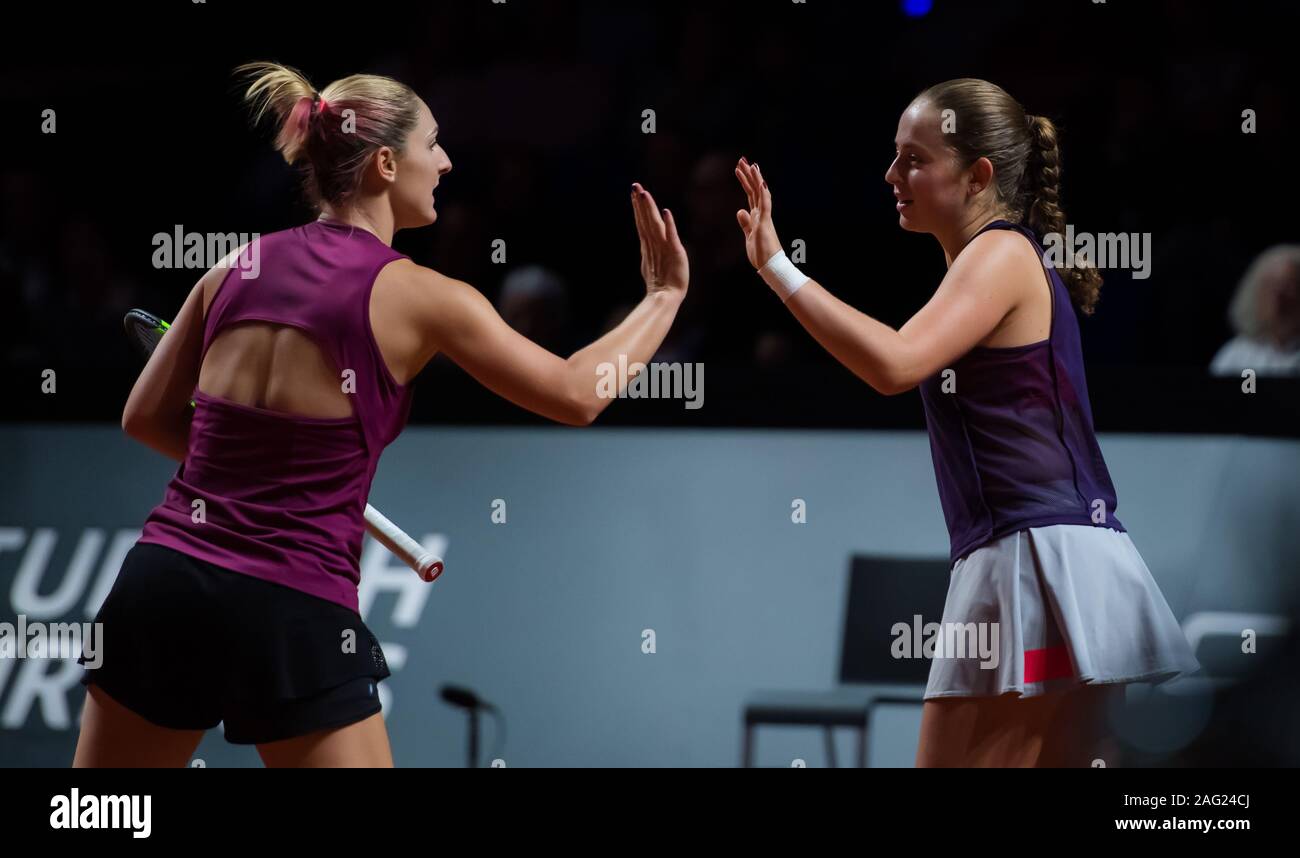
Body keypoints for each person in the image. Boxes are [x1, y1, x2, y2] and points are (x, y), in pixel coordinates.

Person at [73, 62, 688, 767]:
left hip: (163, 585)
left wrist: (254, 476)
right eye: (435, 145)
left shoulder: (231, 267)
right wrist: (663, 297)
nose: (448, 161)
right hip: (292, 604)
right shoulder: (426, 297)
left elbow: (145, 419)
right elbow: (580, 393)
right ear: (388, 163)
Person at [733, 78, 1200, 766]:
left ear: (978, 174)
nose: (892, 175)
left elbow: (894, 364)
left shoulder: (1000, 254)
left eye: (913, 159)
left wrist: (778, 269)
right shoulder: (995, 260)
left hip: (1031, 564)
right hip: (1068, 562)